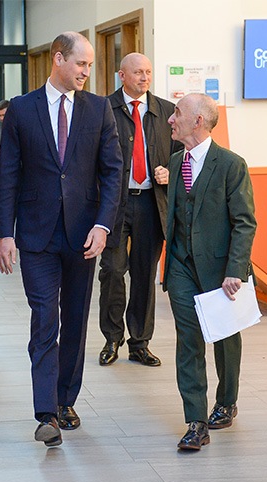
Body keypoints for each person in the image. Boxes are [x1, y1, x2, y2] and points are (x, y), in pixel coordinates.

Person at [0, 32, 122, 447]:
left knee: (76, 319)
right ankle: (46, 411)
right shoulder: (21, 109)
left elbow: (112, 173)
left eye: (90, 65)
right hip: (36, 236)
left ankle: (67, 399)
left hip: (83, 234)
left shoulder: (99, 109)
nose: (87, 72)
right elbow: (8, 174)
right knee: (45, 316)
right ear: (58, 59)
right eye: (81, 64)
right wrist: (4, 234)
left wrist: (103, 225)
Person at [163, 93, 256, 451]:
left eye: (177, 113)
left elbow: (245, 222)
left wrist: (236, 269)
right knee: (189, 342)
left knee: (225, 338)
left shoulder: (231, 164)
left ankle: (227, 400)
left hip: (220, 271)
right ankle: (195, 421)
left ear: (197, 121)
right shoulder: (174, 163)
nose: (171, 119)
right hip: (182, 268)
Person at [98, 53, 181, 368]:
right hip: (115, 204)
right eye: (137, 72)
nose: (144, 78)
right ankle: (111, 338)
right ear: (122, 75)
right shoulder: (103, 109)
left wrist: (170, 173)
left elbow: (182, 153)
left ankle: (140, 343)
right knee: (112, 271)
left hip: (151, 202)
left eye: (148, 72)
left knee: (145, 274)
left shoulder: (166, 111)